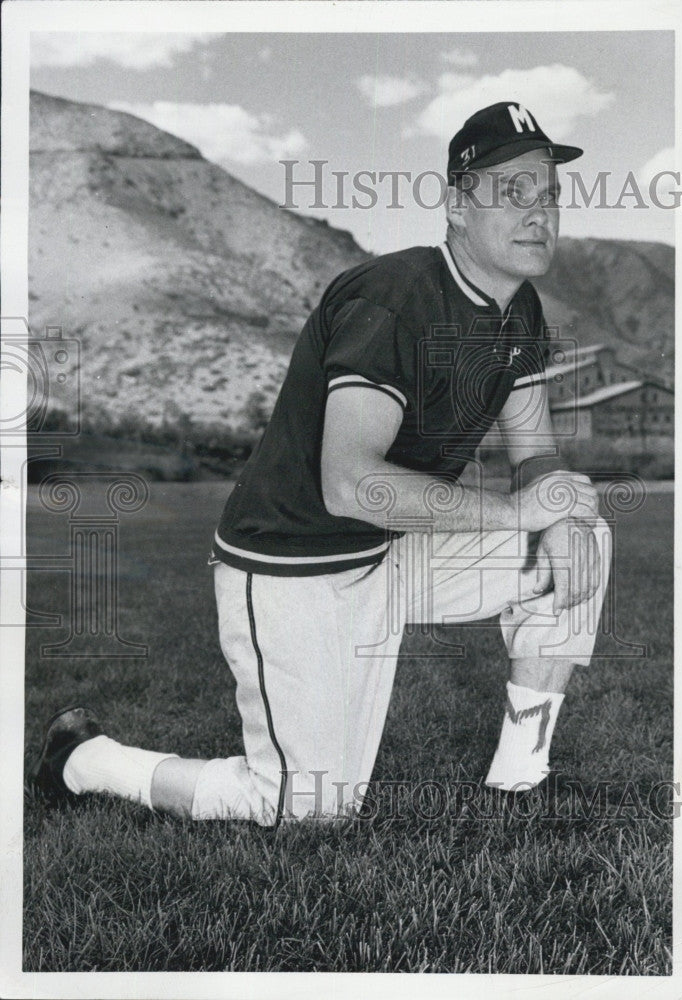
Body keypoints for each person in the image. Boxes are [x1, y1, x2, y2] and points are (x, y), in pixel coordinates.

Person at [32, 102, 610, 826]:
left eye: (549, 195)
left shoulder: (520, 309)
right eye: (513, 192)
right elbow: (350, 482)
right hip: (291, 563)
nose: (540, 214)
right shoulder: (395, 298)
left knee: (581, 538)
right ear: (457, 206)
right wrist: (518, 512)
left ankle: (520, 778)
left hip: (390, 552)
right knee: (308, 810)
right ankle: (85, 759)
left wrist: (553, 508)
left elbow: (536, 452)